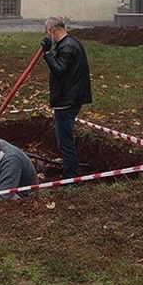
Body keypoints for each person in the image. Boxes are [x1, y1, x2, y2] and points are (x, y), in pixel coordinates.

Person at [41, 16, 92, 179]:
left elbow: (59, 70)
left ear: (51, 30)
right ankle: (70, 167)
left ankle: (71, 175)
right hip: (71, 97)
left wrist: (47, 53)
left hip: (67, 100)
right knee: (64, 138)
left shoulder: (67, 47)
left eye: (46, 31)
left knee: (64, 139)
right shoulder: (71, 43)